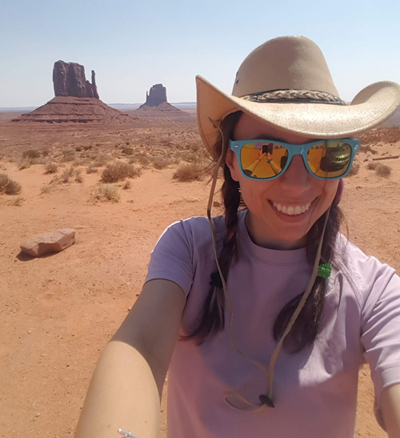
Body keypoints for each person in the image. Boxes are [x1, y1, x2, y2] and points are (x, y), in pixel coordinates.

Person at [75, 36, 400, 438]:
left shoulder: (376, 292)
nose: (297, 186)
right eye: (266, 153)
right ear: (232, 162)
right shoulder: (190, 251)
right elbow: (140, 344)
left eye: (326, 154)